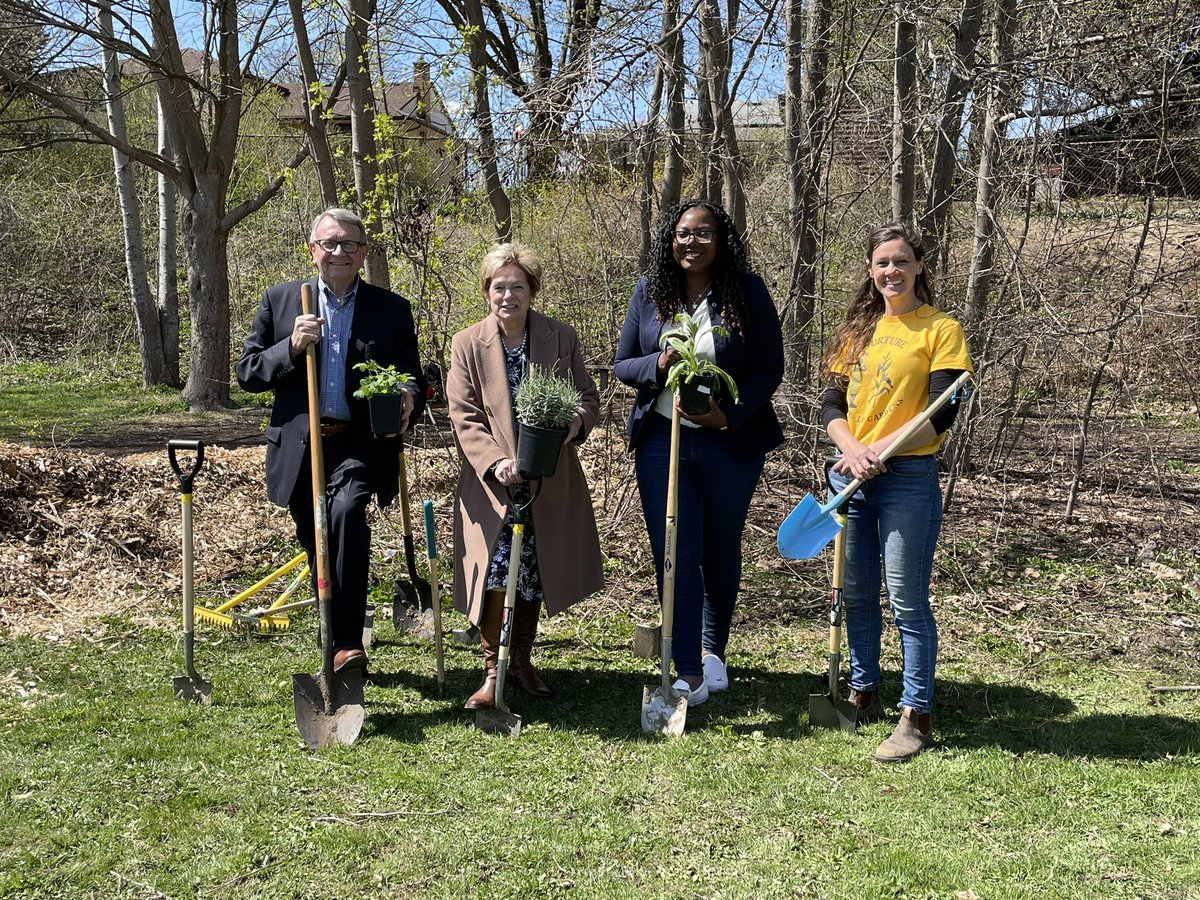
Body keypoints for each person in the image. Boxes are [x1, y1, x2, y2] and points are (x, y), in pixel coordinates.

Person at [236, 207, 425, 674]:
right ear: (313, 249)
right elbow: (247, 374)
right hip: (301, 446)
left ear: (364, 252)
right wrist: (290, 348)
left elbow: (413, 376)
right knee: (316, 539)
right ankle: (337, 622)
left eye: (349, 244)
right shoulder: (282, 302)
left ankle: (345, 644)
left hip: (360, 441)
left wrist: (406, 394)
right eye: (330, 243)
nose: (339, 252)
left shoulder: (391, 309)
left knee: (345, 515)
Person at [614, 199, 784, 708]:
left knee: (720, 548)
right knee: (675, 551)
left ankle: (713, 651)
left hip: (729, 442)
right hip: (662, 442)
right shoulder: (650, 292)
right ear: (671, 239)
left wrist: (727, 415)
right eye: (684, 234)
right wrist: (659, 364)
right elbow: (624, 364)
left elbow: (768, 368)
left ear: (720, 241)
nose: (692, 243)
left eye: (704, 234)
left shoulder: (747, 292)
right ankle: (686, 667)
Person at [821, 222, 972, 762]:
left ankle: (916, 714)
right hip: (850, 475)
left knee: (906, 598)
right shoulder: (857, 331)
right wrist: (853, 449)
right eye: (883, 262)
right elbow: (831, 406)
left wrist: (878, 451)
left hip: (906, 476)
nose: (892, 271)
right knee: (857, 593)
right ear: (870, 270)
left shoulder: (940, 328)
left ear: (919, 267)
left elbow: (943, 412)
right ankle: (864, 693)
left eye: (902, 261)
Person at [447, 241, 603, 710]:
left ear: (531, 290)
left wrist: (574, 422)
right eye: (499, 287)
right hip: (492, 485)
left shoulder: (561, 337)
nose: (507, 295)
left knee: (535, 572)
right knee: (496, 572)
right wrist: (497, 462)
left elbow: (587, 398)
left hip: (549, 481)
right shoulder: (467, 343)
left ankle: (521, 659)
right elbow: (464, 413)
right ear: (487, 292)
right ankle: (491, 669)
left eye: (517, 286)